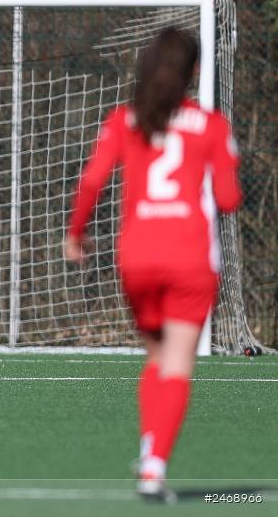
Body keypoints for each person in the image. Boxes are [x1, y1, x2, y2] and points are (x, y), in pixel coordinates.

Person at [64, 27, 242, 502]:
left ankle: (148, 448)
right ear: (195, 73)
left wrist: (75, 234)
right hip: (190, 259)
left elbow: (91, 181)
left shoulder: (125, 120)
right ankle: (154, 468)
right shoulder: (212, 125)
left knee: (157, 356)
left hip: (138, 258)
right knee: (178, 361)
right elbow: (228, 198)